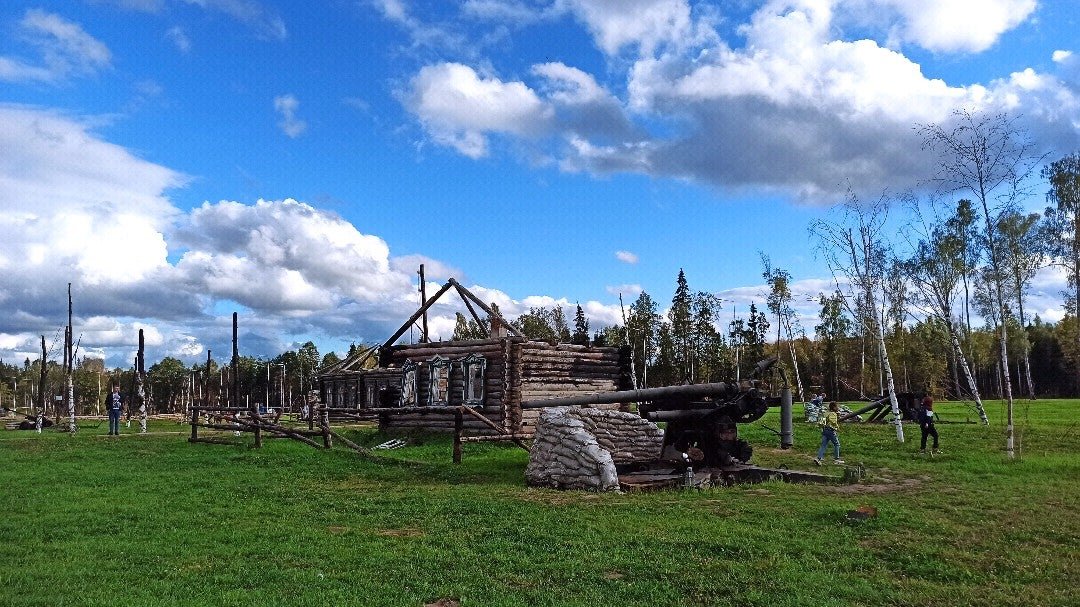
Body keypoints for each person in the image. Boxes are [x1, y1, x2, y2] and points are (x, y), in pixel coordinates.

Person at [814, 401, 844, 465]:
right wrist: (837, 427)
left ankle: (818, 458)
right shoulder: (833, 414)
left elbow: (822, 421)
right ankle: (836, 459)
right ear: (834, 407)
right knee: (837, 444)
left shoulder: (826, 413)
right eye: (836, 406)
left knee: (823, 445)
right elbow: (833, 422)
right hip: (830, 430)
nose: (837, 407)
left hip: (824, 430)